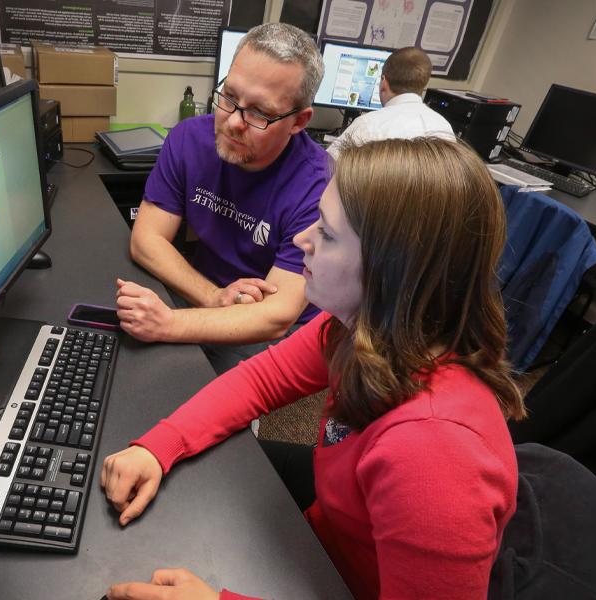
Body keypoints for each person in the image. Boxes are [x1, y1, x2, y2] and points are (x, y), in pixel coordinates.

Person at [101, 137, 527, 600]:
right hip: (322, 546)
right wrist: (159, 446)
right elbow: (261, 380)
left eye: (325, 232)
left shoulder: (434, 455)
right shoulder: (360, 326)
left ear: (389, 269)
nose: (302, 240)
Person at [116, 22, 330, 375]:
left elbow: (276, 315)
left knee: (182, 388)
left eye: (259, 112)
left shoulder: (318, 188)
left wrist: (170, 324)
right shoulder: (189, 139)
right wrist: (213, 297)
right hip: (206, 292)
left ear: (298, 122)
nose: (233, 122)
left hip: (273, 328)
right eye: (229, 97)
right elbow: (145, 239)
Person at [326, 47, 455, 159]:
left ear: (384, 82)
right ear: (423, 84)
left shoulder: (368, 125)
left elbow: (327, 168)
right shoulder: (444, 129)